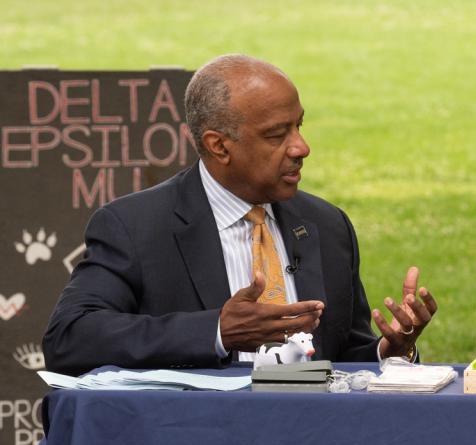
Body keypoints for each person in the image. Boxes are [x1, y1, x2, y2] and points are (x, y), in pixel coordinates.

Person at [43, 54, 437, 375]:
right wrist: (216, 331)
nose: (302, 147)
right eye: (276, 135)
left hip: (315, 444)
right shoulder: (135, 226)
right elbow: (70, 338)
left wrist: (391, 352)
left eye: (298, 127)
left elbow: (344, 358)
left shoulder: (326, 225)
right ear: (219, 146)